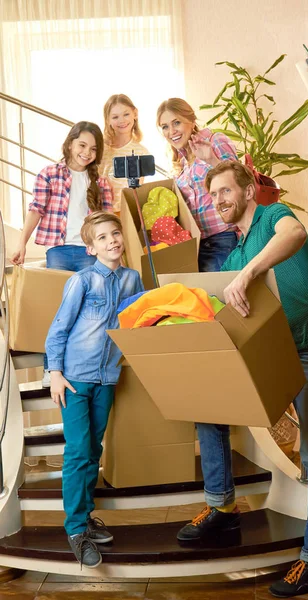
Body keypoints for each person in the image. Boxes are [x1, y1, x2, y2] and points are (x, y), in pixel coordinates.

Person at [177, 161, 308, 598]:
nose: (217, 201)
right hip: (273, 357)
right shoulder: (232, 256)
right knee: (206, 404)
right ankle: (222, 506)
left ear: (249, 190)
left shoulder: (274, 217)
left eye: (225, 191)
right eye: (212, 195)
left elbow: (295, 236)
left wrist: (250, 273)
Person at [45, 211, 144, 568]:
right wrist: (55, 372)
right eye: (102, 238)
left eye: (115, 234)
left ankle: (85, 516)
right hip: (74, 377)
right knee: (78, 451)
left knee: (94, 449)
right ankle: (75, 530)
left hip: (107, 378)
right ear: (90, 248)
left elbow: (140, 318)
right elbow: (58, 328)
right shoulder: (83, 281)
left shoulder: (133, 278)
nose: (112, 241)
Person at [11, 121, 113, 386]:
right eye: (82, 145)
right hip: (59, 252)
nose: (86, 153)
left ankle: (86, 369)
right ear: (70, 143)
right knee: (59, 312)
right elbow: (36, 209)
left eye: (93, 148)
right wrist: (22, 243)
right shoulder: (50, 174)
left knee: (92, 312)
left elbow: (108, 221)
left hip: (91, 253)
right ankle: (51, 369)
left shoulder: (100, 182)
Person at [157, 98, 239, 272]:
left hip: (222, 238)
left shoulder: (214, 141)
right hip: (196, 245)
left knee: (217, 295)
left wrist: (212, 159)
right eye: (165, 126)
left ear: (191, 121)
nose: (171, 131)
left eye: (176, 122)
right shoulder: (182, 161)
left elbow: (240, 182)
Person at [100, 94, 150, 214]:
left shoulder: (141, 152)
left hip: (126, 212)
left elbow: (137, 190)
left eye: (126, 114)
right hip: (100, 212)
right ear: (108, 120)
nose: (122, 120)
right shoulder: (100, 148)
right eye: (115, 117)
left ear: (135, 114)